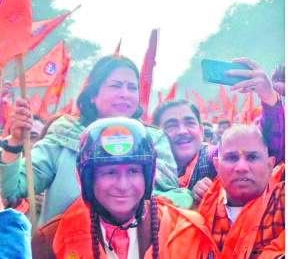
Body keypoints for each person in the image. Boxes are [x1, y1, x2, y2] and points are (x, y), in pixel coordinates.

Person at [0, 54, 193, 226]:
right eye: (115, 86)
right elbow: (12, 190)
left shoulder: (153, 140)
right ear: (92, 95)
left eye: (132, 88)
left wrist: (126, 199)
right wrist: (16, 141)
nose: (125, 94)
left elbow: (176, 200)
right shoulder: (64, 134)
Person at [32, 117, 220, 259]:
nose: (123, 186)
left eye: (132, 171)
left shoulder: (187, 230)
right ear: (87, 179)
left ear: (149, 176)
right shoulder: (52, 239)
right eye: (110, 173)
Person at [152, 57, 284, 207]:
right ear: (157, 135)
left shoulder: (214, 158)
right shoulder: (144, 169)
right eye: (171, 125)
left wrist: (269, 98)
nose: (182, 131)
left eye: (189, 123)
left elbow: (269, 149)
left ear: (201, 131)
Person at [198, 124, 285, 259]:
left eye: (252, 157)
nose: (241, 167)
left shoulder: (282, 199)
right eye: (232, 158)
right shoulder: (201, 208)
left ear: (270, 165)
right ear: (217, 166)